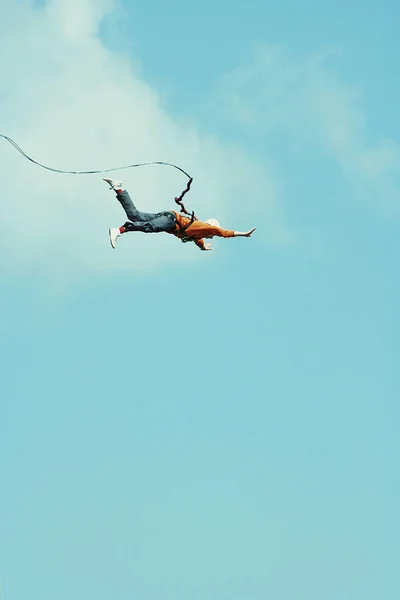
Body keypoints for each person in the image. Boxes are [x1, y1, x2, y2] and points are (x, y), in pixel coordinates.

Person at [104, 178, 256, 251]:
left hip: (169, 216)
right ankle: (121, 229)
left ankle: (118, 189)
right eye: (212, 233)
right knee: (149, 227)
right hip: (171, 221)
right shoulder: (205, 228)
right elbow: (223, 233)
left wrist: (203, 248)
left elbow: (198, 241)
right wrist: (243, 234)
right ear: (211, 227)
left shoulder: (198, 235)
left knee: (135, 215)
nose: (212, 236)